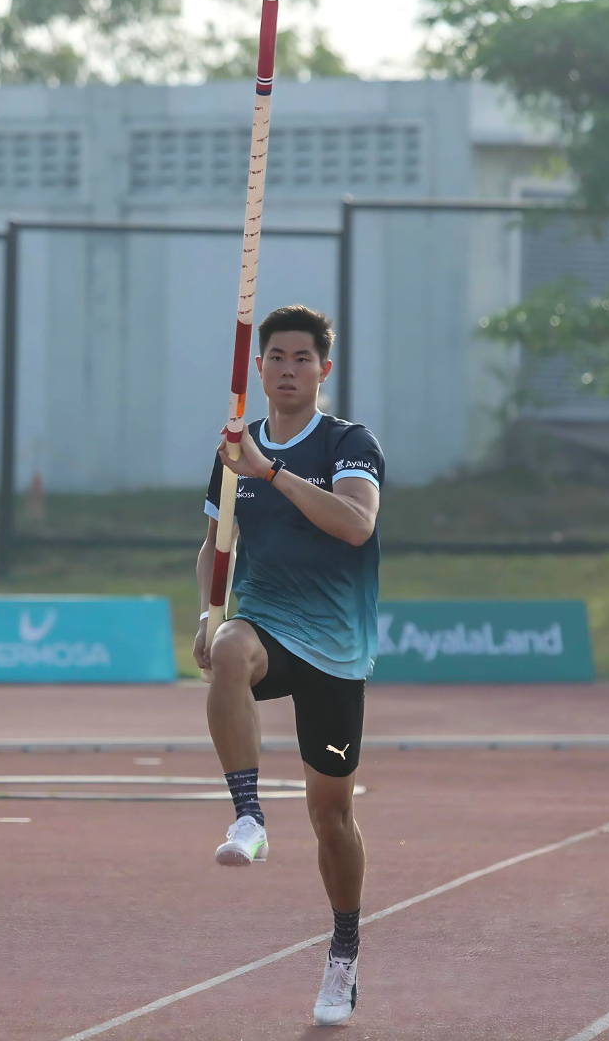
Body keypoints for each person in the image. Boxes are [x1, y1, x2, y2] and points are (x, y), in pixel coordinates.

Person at [194, 305, 384, 1028]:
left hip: (335, 649)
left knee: (332, 817)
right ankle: (247, 815)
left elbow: (355, 523)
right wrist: (206, 613)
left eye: (302, 358)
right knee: (229, 654)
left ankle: (343, 953)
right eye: (275, 356)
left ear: (323, 370)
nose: (288, 368)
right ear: (260, 367)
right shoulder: (233, 450)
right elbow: (215, 542)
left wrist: (269, 472)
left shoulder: (347, 442)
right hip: (266, 624)